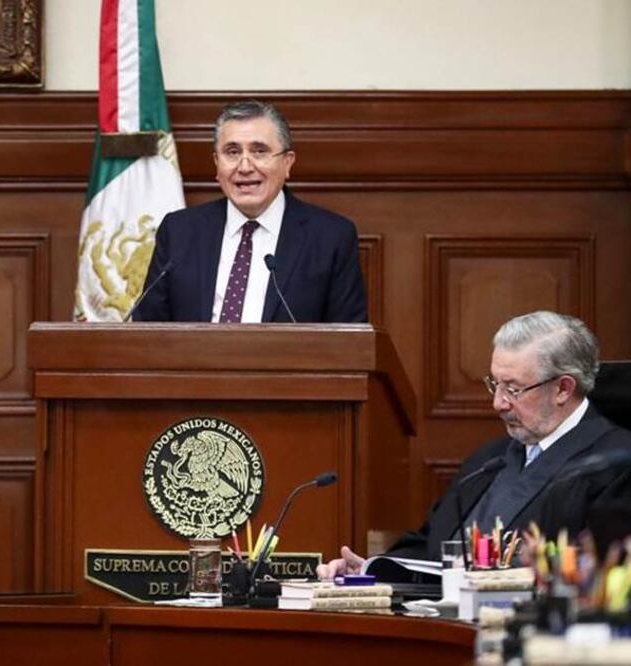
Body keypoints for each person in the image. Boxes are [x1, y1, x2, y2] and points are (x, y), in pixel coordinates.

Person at [318, 311, 631, 578]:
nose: (498, 403)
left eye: (513, 389)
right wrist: (370, 570)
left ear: (563, 388)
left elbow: (597, 571)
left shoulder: (615, 464)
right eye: (495, 384)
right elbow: (430, 547)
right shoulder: (488, 460)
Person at [132, 99, 367, 323]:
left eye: (259, 151)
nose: (245, 167)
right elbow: (148, 330)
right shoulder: (179, 232)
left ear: (287, 162)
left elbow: (349, 339)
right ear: (217, 163)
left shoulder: (330, 238)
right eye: (232, 152)